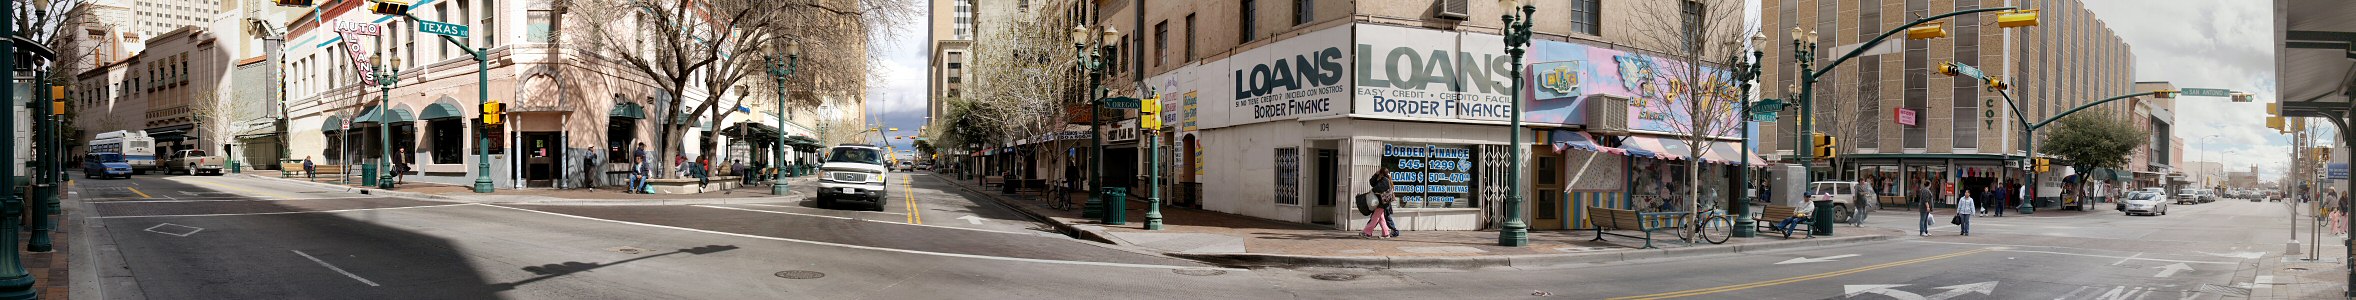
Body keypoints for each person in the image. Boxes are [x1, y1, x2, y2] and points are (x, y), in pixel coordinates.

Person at [1363, 169, 1397, 239]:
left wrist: (1373, 190)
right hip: (1382, 202)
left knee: (1375, 218)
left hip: (1382, 202)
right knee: (1381, 219)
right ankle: (1386, 233)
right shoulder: (1383, 179)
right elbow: (1372, 182)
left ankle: (1367, 233)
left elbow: (1378, 188)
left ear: (1381, 173)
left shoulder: (1384, 180)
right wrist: (1375, 175)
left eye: (1379, 172)